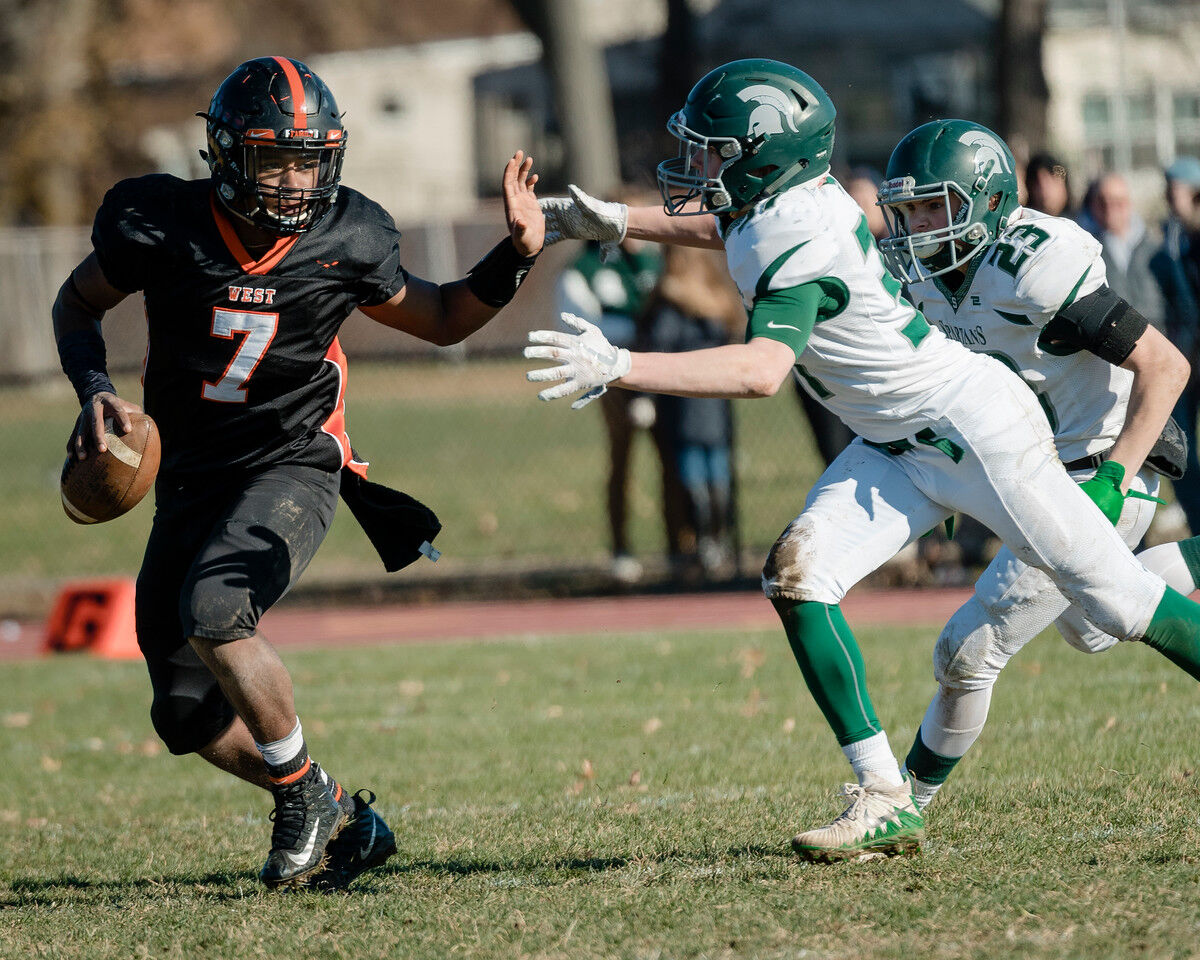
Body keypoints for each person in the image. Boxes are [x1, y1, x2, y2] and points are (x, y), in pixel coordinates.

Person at [531, 58, 1200, 863]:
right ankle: (885, 796)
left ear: (761, 155)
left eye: (714, 150)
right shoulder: (780, 204)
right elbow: (723, 228)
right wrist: (615, 219)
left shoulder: (802, 233)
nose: (700, 167)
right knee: (797, 576)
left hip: (977, 429)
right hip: (897, 442)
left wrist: (621, 365)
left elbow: (760, 371)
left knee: (1118, 611)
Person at [52, 56, 544, 889]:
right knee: (183, 714)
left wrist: (515, 255)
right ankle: (330, 800)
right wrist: (95, 388)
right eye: (275, 158)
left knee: (216, 606)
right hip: (193, 469)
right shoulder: (160, 223)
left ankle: (296, 801)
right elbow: (77, 303)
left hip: (296, 458)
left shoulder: (347, 236)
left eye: (309, 159)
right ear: (228, 155)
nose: (293, 179)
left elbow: (444, 317)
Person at [875, 120, 1197, 812]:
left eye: (938, 206)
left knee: (968, 648)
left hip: (1098, 465)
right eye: (910, 209)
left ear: (987, 202)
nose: (919, 226)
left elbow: (1167, 366)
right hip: (1030, 470)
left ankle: (900, 805)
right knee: (1090, 628)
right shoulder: (921, 274)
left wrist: (1112, 480)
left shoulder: (1036, 265)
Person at [555, 223, 669, 583]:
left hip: (664, 366)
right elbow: (578, 319)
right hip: (614, 373)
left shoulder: (656, 260)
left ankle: (681, 546)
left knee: (673, 457)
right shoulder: (584, 267)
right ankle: (622, 548)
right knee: (622, 457)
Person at [641, 244, 745, 577]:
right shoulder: (714, 302)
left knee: (703, 479)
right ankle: (713, 543)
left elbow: (659, 344)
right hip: (705, 404)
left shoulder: (674, 304)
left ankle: (710, 541)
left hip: (693, 405)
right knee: (709, 477)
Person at [1151, 157, 1200, 535]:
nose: (1169, 193)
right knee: (1181, 449)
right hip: (1184, 357)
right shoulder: (1169, 237)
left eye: (1176, 186)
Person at [1084, 173, 1166, 332]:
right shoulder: (1087, 250)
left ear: (1128, 203)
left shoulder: (1157, 246)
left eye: (1117, 202)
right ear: (1093, 206)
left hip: (1159, 338)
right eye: (1103, 202)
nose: (1110, 208)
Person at [1024, 152, 1073, 218]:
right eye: (1037, 183)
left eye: (1050, 181)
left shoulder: (1081, 224)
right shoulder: (1023, 225)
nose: (1044, 189)